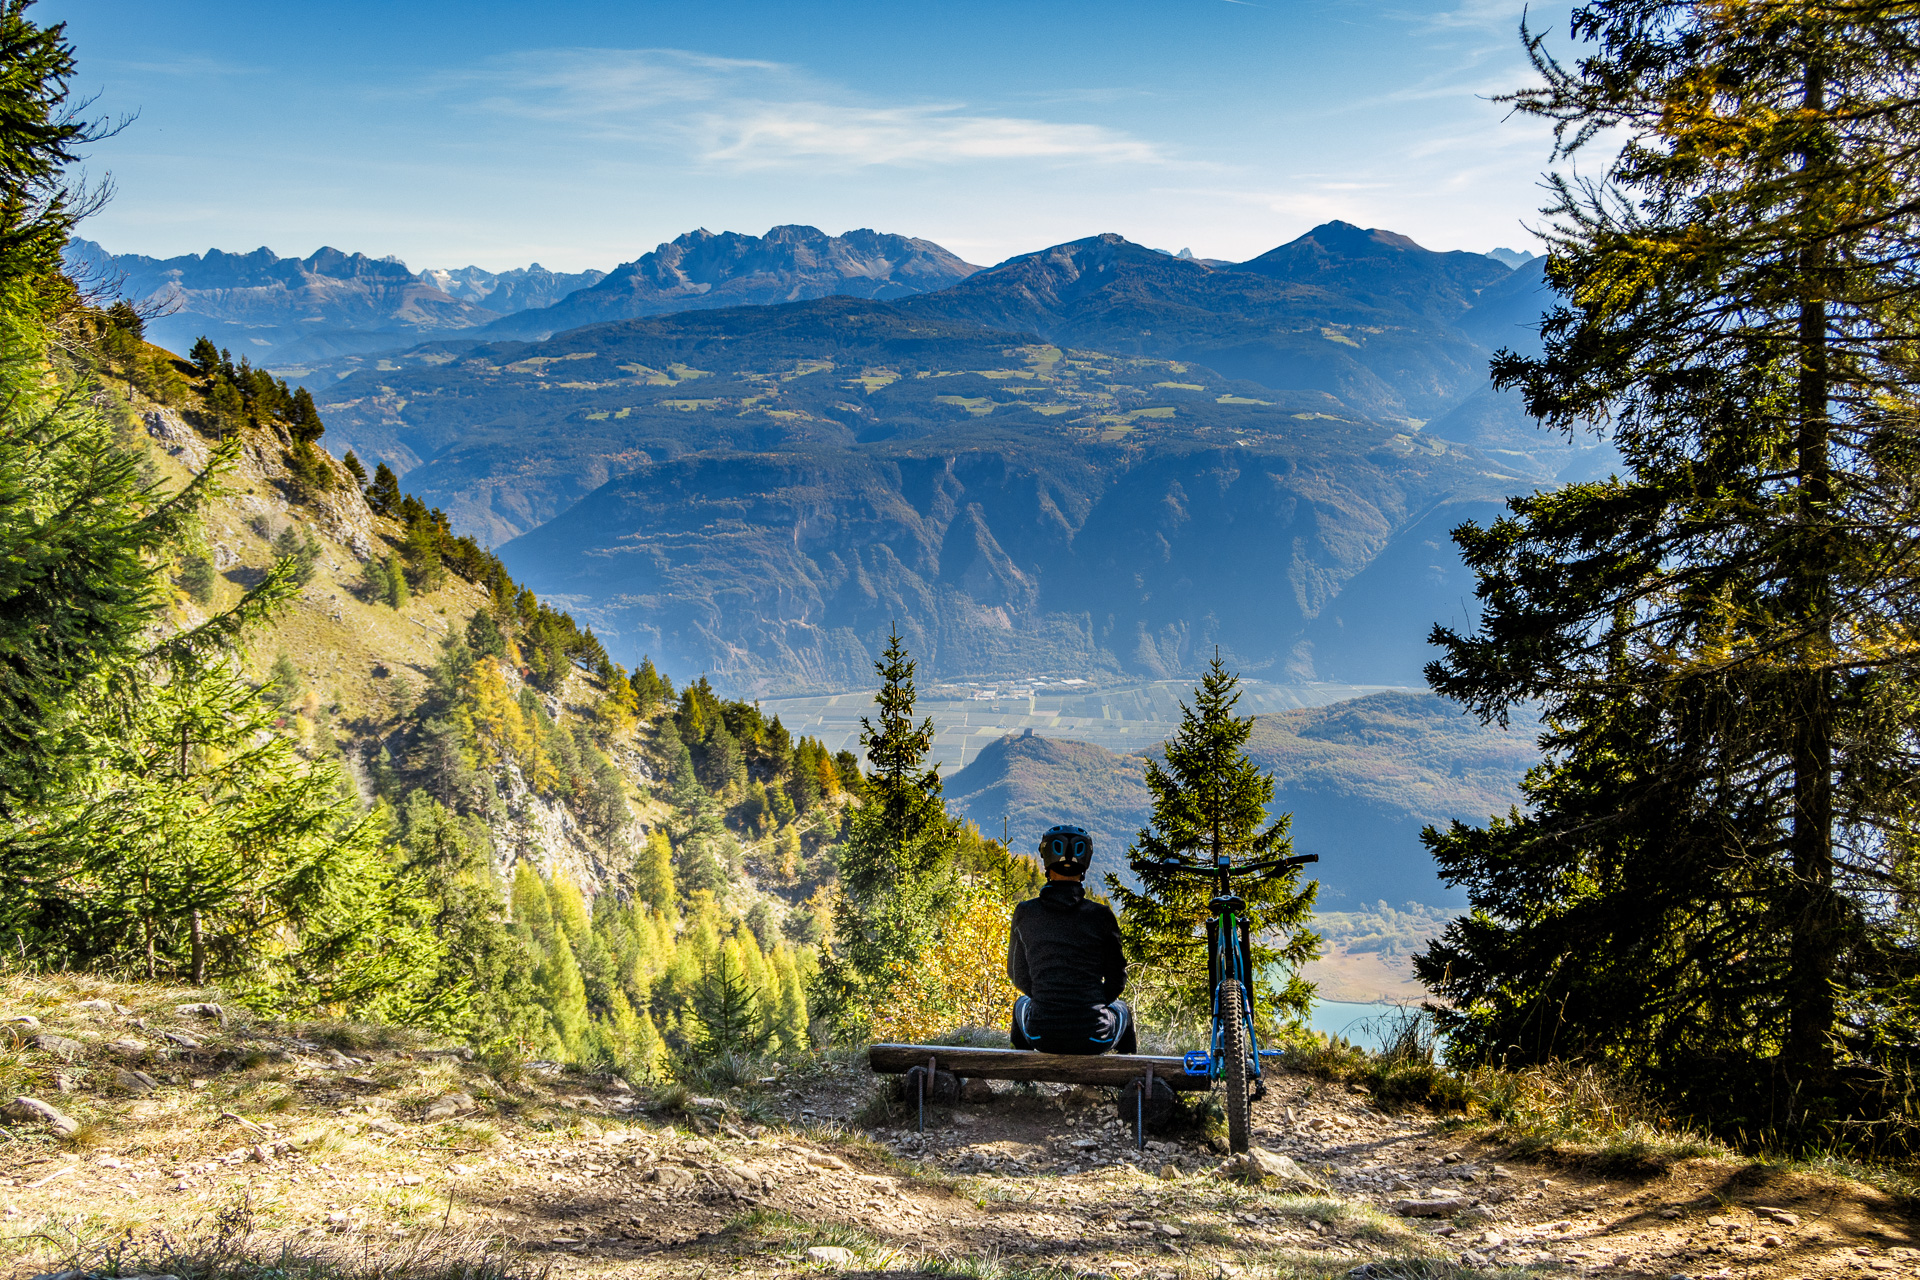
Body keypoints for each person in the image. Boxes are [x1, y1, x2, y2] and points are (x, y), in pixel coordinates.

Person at [1007, 824, 1136, 1055]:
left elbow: (1016, 974)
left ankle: (1021, 1075)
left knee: (1020, 1005)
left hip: (1041, 1035)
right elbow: (1117, 980)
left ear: (1046, 862)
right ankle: (1130, 1076)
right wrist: (1093, 1002)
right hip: (1094, 1036)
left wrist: (1046, 999)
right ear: (1085, 863)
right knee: (1123, 1010)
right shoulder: (1101, 915)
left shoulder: (1025, 912)